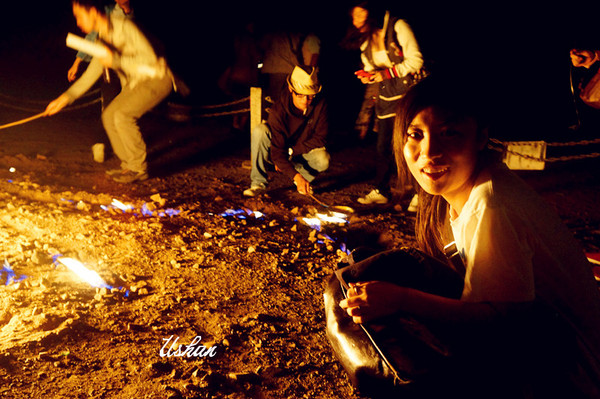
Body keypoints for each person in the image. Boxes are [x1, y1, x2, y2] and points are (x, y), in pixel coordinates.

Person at [339, 75, 600, 397]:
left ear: (481, 137)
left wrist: (401, 298)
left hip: (568, 371)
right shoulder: (466, 194)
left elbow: (502, 320)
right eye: (415, 135)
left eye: (449, 133)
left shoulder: (491, 204)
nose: (429, 152)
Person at [44, 0, 173, 184]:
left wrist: (115, 60)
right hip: (135, 84)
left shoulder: (125, 27)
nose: (78, 22)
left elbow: (150, 61)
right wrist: (65, 98)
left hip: (158, 78)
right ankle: (128, 165)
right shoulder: (101, 39)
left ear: (95, 13)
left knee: (122, 115)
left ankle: (138, 168)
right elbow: (90, 76)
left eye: (80, 16)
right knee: (109, 115)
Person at [350, 2, 424, 206]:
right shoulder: (366, 42)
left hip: (409, 95)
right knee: (383, 146)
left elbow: (416, 61)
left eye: (359, 15)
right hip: (386, 97)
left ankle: (421, 193)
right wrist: (368, 76)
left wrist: (385, 73)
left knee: (410, 144)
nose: (356, 21)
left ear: (372, 13)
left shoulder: (398, 27)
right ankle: (381, 190)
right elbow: (371, 68)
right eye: (353, 16)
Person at [243, 66, 329, 197]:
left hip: (300, 152)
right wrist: (283, 158)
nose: (305, 101)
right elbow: (277, 153)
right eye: (300, 95)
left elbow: (321, 137)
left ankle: (301, 181)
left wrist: (292, 152)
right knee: (260, 131)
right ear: (291, 90)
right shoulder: (279, 111)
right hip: (277, 152)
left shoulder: (320, 105)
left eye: (310, 96)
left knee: (323, 159)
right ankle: (258, 183)